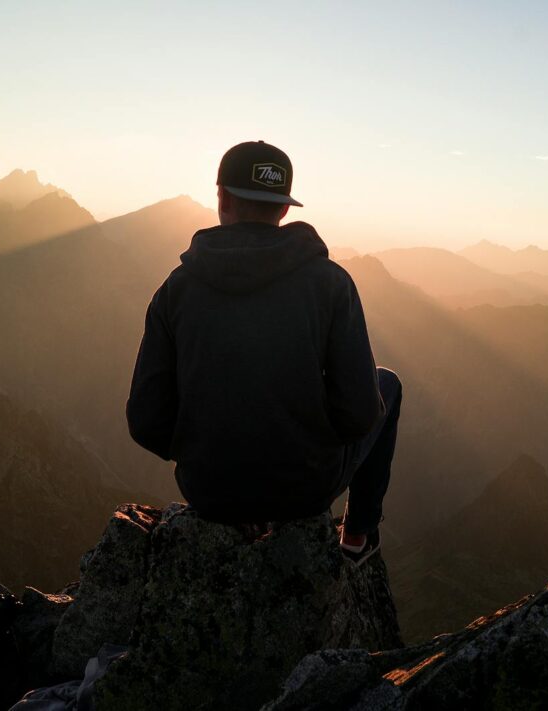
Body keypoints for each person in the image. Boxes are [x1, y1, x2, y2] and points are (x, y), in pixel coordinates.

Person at [126, 140, 402, 565]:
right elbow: (361, 414)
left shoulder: (175, 291)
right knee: (388, 384)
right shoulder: (331, 285)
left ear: (221, 197)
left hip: (209, 491)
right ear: (285, 209)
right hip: (305, 490)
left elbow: (146, 422)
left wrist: (209, 450)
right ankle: (356, 537)